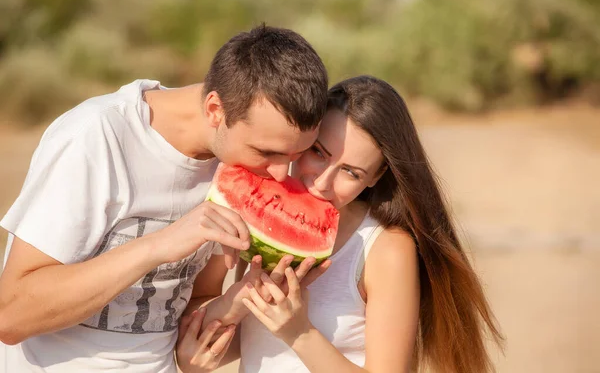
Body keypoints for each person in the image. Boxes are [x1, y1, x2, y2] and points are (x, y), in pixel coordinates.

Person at [0, 24, 330, 373]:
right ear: (216, 110)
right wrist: (157, 246)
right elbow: (11, 315)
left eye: (296, 155)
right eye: (267, 152)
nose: (280, 175)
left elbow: (195, 303)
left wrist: (242, 297)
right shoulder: (97, 137)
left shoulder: (235, 163)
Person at [185, 76, 504, 373]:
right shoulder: (255, 213)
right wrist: (237, 302)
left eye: (351, 172)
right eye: (318, 152)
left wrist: (300, 333)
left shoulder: (385, 248)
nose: (322, 182)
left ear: (376, 178)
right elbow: (195, 357)